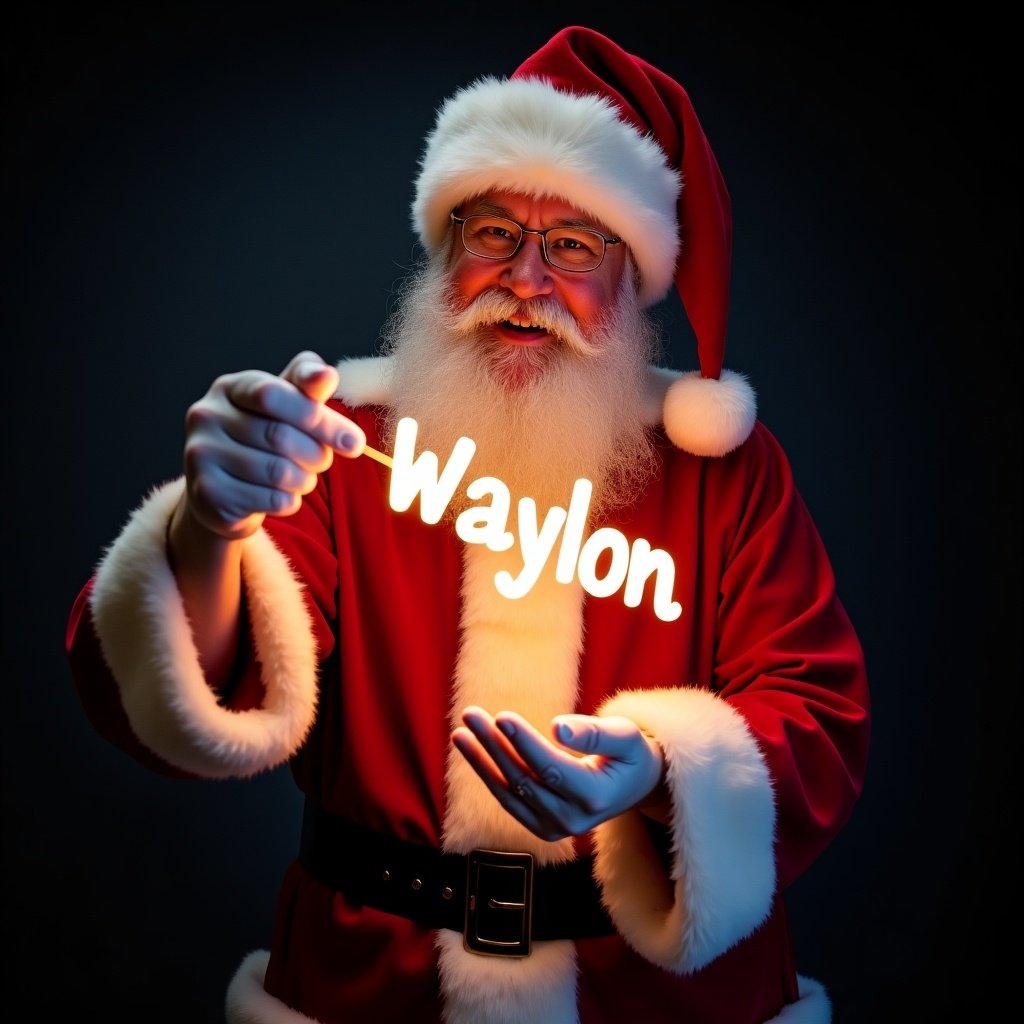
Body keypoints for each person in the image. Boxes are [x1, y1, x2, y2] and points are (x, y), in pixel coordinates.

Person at [65, 24, 870, 1024]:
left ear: (635, 277)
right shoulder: (336, 444)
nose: (526, 279)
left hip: (656, 997)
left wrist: (662, 766)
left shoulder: (725, 476)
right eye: (494, 232)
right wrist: (207, 528)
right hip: (374, 982)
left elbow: (819, 718)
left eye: (573, 244)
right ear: (447, 251)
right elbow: (192, 699)